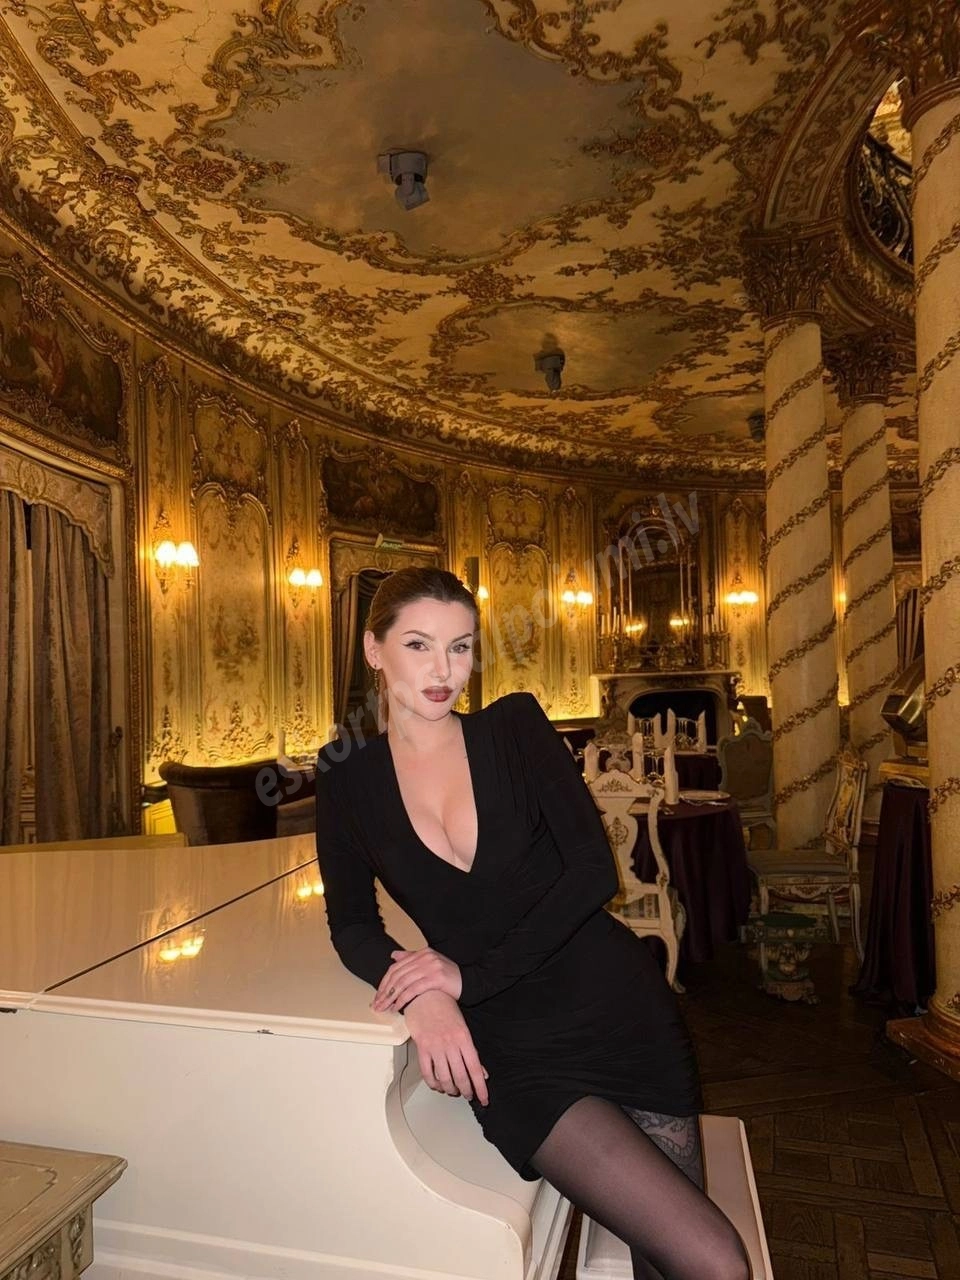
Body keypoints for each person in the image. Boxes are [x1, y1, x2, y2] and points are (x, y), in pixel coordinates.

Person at [315, 567, 749, 1280]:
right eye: (419, 645)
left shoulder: (513, 727)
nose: (443, 671)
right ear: (373, 649)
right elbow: (351, 925)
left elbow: (592, 873)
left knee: (682, 1262)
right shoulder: (346, 780)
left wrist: (467, 979)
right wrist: (422, 996)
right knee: (711, 1258)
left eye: (460, 647)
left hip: (618, 1010)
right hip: (514, 1053)